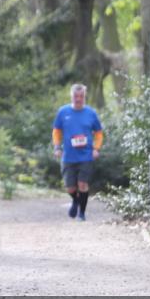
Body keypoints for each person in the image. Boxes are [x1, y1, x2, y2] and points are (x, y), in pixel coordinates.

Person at [52, 83, 103, 221]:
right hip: (68, 156)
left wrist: (96, 149)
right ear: (71, 96)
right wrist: (57, 147)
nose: (78, 99)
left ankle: (82, 213)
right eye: (76, 96)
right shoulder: (63, 112)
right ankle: (75, 200)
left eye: (81, 96)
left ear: (84, 97)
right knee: (70, 188)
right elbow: (56, 131)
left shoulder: (91, 113)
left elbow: (98, 133)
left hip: (86, 155)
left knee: (82, 185)